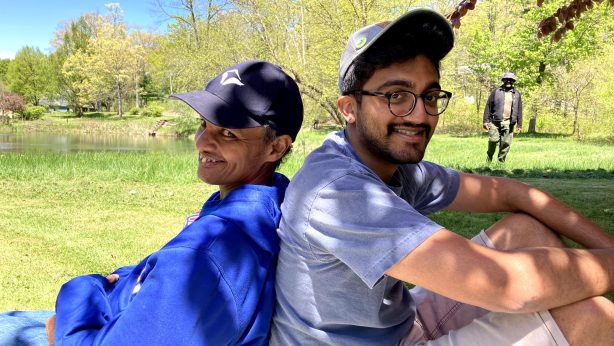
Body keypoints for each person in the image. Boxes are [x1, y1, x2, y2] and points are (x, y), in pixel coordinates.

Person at [270, 8, 614, 346]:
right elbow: (508, 287)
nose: (420, 115)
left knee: (527, 231)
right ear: (349, 109)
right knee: (590, 319)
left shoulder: (393, 168)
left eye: (430, 96)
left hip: (403, 324)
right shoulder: (338, 192)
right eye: (396, 96)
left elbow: (513, 193)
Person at [45, 60, 303, 345]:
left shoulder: (211, 251)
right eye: (203, 124)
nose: (203, 142)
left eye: (228, 133)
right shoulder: (266, 203)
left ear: (275, 147)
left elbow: (194, 275)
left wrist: (80, 294)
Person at [483, 72, 523, 163]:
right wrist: (485, 121)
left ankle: (501, 162)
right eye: (506, 79)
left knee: (505, 144)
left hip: (509, 123)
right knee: (493, 140)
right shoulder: (496, 92)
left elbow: (519, 110)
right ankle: (489, 158)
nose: (508, 81)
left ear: (513, 81)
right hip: (494, 122)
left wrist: (519, 125)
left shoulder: (516, 94)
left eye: (511, 80)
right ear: (503, 80)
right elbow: (488, 106)